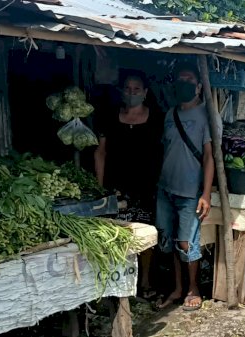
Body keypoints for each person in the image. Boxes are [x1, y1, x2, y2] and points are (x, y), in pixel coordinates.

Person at [94, 73, 164, 300]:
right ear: (122, 91)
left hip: (146, 187)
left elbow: (165, 151)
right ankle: (119, 284)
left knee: (145, 236)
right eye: (128, 88)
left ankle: (143, 282)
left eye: (137, 88)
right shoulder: (110, 117)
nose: (132, 92)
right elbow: (101, 153)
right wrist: (99, 186)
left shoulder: (157, 118)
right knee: (118, 235)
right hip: (116, 187)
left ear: (145, 92)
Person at [155, 62, 215, 311]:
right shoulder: (170, 114)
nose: (184, 84)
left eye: (189, 80)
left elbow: (210, 156)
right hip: (165, 188)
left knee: (187, 244)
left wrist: (205, 193)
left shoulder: (206, 116)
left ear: (199, 87)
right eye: (180, 80)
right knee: (168, 240)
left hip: (190, 192)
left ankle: (193, 288)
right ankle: (178, 288)